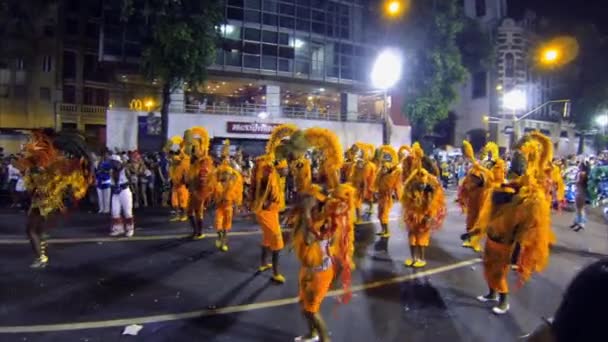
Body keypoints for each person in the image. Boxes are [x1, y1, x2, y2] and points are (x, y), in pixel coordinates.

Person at [464, 133, 554, 315]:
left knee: (499, 271)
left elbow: (525, 227)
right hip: (491, 238)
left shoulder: (527, 200)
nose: (511, 177)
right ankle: (491, 293)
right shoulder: (502, 192)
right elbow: (489, 217)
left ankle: (504, 301)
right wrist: (474, 233)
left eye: (515, 174)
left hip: (505, 242)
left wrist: (518, 250)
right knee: (488, 267)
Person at [18, 130, 92, 268]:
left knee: (31, 231)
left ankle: (41, 258)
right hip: (46, 201)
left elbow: (38, 182)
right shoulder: (48, 165)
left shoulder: (41, 167)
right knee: (37, 230)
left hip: (43, 202)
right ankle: (42, 249)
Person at [292, 184, 355, 342]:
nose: (304, 201)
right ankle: (312, 334)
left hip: (319, 274)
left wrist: (306, 212)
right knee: (304, 306)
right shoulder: (315, 218)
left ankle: (325, 339)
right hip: (308, 270)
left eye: (309, 199)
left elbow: (308, 239)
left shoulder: (326, 222)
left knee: (311, 310)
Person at [401, 143, 446, 268]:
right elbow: (406, 200)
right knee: (411, 237)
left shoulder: (430, 189)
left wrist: (429, 216)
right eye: (418, 179)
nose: (420, 181)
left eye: (422, 178)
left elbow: (432, 203)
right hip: (412, 216)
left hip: (424, 216)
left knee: (422, 238)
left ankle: (421, 258)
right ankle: (413, 258)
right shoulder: (410, 187)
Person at [211, 140, 243, 252]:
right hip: (219, 207)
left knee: (226, 227)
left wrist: (237, 206)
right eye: (224, 174)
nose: (226, 175)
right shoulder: (217, 183)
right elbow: (212, 178)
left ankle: (224, 241)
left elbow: (238, 181)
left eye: (228, 174)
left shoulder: (233, 182)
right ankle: (219, 236)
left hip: (229, 207)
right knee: (218, 225)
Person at [183, 126, 214, 239]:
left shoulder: (203, 165)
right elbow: (189, 179)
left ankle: (199, 232)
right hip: (193, 192)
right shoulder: (192, 164)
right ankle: (195, 230)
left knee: (198, 213)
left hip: (200, 193)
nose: (192, 151)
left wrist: (202, 194)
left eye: (194, 148)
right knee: (189, 213)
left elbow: (204, 180)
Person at [374, 145, 402, 238]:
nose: (383, 169)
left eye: (385, 168)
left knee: (384, 214)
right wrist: (375, 192)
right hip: (381, 196)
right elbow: (376, 183)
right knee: (380, 213)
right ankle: (382, 230)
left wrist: (397, 196)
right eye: (383, 168)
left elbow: (395, 185)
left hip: (387, 196)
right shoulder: (380, 174)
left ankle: (387, 231)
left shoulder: (392, 175)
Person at [164, 136, 190, 221]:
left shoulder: (182, 162)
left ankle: (184, 215)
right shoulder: (172, 165)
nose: (171, 159)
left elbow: (182, 161)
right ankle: (177, 215)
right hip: (175, 185)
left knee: (183, 201)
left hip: (182, 185)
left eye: (172, 157)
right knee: (174, 201)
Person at [109, 154, 135, 237]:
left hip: (125, 192)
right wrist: (114, 187)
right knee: (115, 211)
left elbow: (131, 180)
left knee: (127, 212)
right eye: (112, 162)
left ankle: (130, 229)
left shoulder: (125, 170)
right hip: (116, 193)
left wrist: (123, 186)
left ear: (118, 162)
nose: (113, 164)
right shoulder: (112, 171)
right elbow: (111, 183)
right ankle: (118, 228)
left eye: (114, 162)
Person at [571, 161, 589, 232]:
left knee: (580, 209)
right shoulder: (585, 173)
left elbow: (578, 182)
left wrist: (573, 181)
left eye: (580, 164)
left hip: (580, 193)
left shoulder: (581, 173)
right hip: (582, 193)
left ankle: (581, 224)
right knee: (579, 208)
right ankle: (576, 222)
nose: (578, 165)